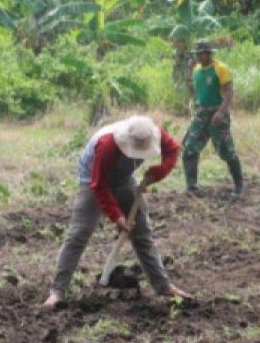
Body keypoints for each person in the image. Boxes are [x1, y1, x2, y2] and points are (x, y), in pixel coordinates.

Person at [43, 116, 191, 309]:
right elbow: (99, 185)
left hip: (124, 178)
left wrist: (158, 172)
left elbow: (172, 150)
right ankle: (57, 291)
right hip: (93, 179)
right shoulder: (107, 144)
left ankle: (163, 286)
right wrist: (117, 216)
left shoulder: (151, 133)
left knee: (142, 232)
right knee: (79, 233)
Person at [184, 41, 244, 199]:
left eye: (201, 53)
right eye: (196, 53)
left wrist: (220, 112)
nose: (198, 56)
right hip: (201, 114)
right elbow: (198, 91)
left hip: (217, 112)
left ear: (209, 53)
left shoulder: (221, 68)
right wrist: (194, 106)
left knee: (226, 150)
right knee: (190, 147)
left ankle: (239, 185)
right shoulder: (196, 70)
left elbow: (229, 93)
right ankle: (191, 186)